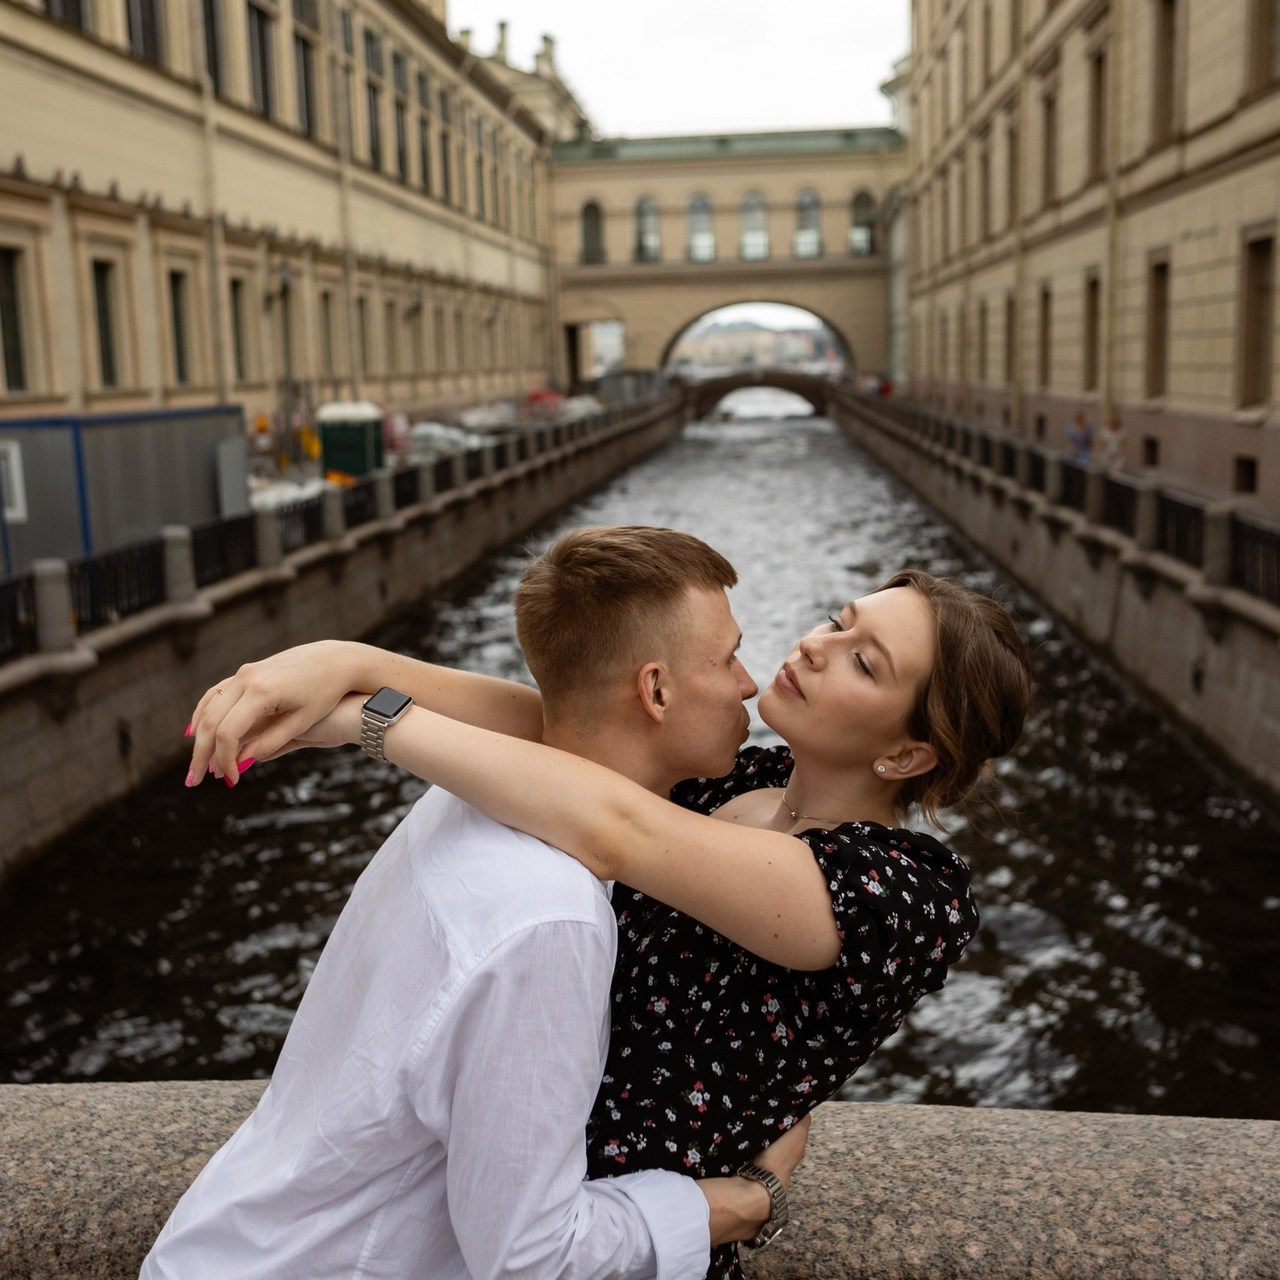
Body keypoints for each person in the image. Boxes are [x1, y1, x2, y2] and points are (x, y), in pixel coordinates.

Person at [188, 533, 1033, 1280]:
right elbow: (569, 727)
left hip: (617, 1241)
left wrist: (370, 724)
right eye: (840, 620)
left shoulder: (899, 894)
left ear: (907, 751)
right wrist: (348, 663)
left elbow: (614, 825)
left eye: (864, 661)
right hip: (536, 1195)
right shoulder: (745, 779)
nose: (817, 645)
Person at [142, 527, 809, 1280]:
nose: (748, 683)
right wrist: (742, 1201)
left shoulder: (462, 801)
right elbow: (532, 1259)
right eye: (726, 659)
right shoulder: (551, 919)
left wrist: (353, 669)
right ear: (655, 690)